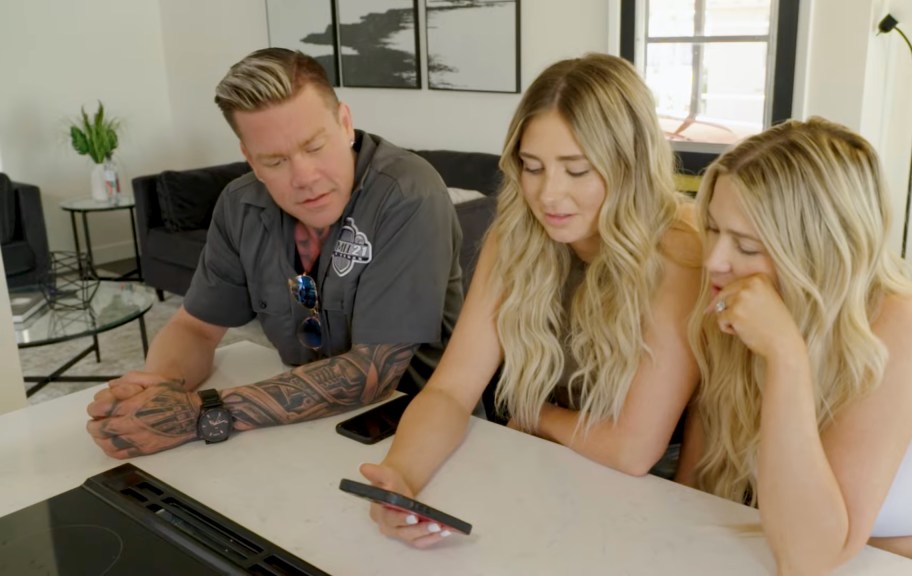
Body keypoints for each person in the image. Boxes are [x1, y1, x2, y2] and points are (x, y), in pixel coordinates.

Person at [359, 53, 703, 548]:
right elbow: (452, 390)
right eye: (533, 167)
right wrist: (401, 477)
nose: (548, 195)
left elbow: (632, 450)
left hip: (644, 502)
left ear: (629, 166)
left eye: (577, 170)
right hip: (539, 469)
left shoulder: (678, 251)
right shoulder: (517, 236)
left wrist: (531, 415)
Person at [677, 117, 912, 575]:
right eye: (714, 230)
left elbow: (810, 558)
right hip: (811, 550)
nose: (714, 260)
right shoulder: (747, 310)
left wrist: (786, 357)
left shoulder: (905, 329)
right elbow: (693, 491)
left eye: (746, 244)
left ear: (817, 251)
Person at [85, 48, 463, 459]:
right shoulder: (240, 204)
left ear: (345, 124)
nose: (305, 178)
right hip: (300, 429)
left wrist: (200, 413)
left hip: (418, 431)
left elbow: (372, 374)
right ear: (251, 160)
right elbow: (194, 327)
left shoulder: (408, 194)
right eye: (276, 160)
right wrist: (157, 390)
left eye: (315, 146)